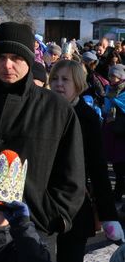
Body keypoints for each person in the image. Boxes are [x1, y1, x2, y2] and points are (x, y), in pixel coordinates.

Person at [0, 22, 85, 260]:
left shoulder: (56, 110)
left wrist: (51, 217)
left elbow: (72, 177)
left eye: (16, 57)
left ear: (29, 60)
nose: (7, 65)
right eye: (1, 57)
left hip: (33, 234)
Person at [49, 60, 123, 261]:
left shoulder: (87, 117)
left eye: (66, 79)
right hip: (44, 204)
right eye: (54, 78)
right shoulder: (43, 111)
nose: (59, 84)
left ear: (79, 84)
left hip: (76, 205)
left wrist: (108, 214)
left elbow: (98, 167)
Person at [101, 64, 125, 202]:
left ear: (121, 77)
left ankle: (119, 190)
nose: (111, 79)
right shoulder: (109, 89)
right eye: (110, 76)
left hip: (122, 132)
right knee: (115, 163)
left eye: (114, 76)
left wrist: (114, 100)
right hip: (111, 130)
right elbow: (106, 108)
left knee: (121, 164)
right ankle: (118, 190)